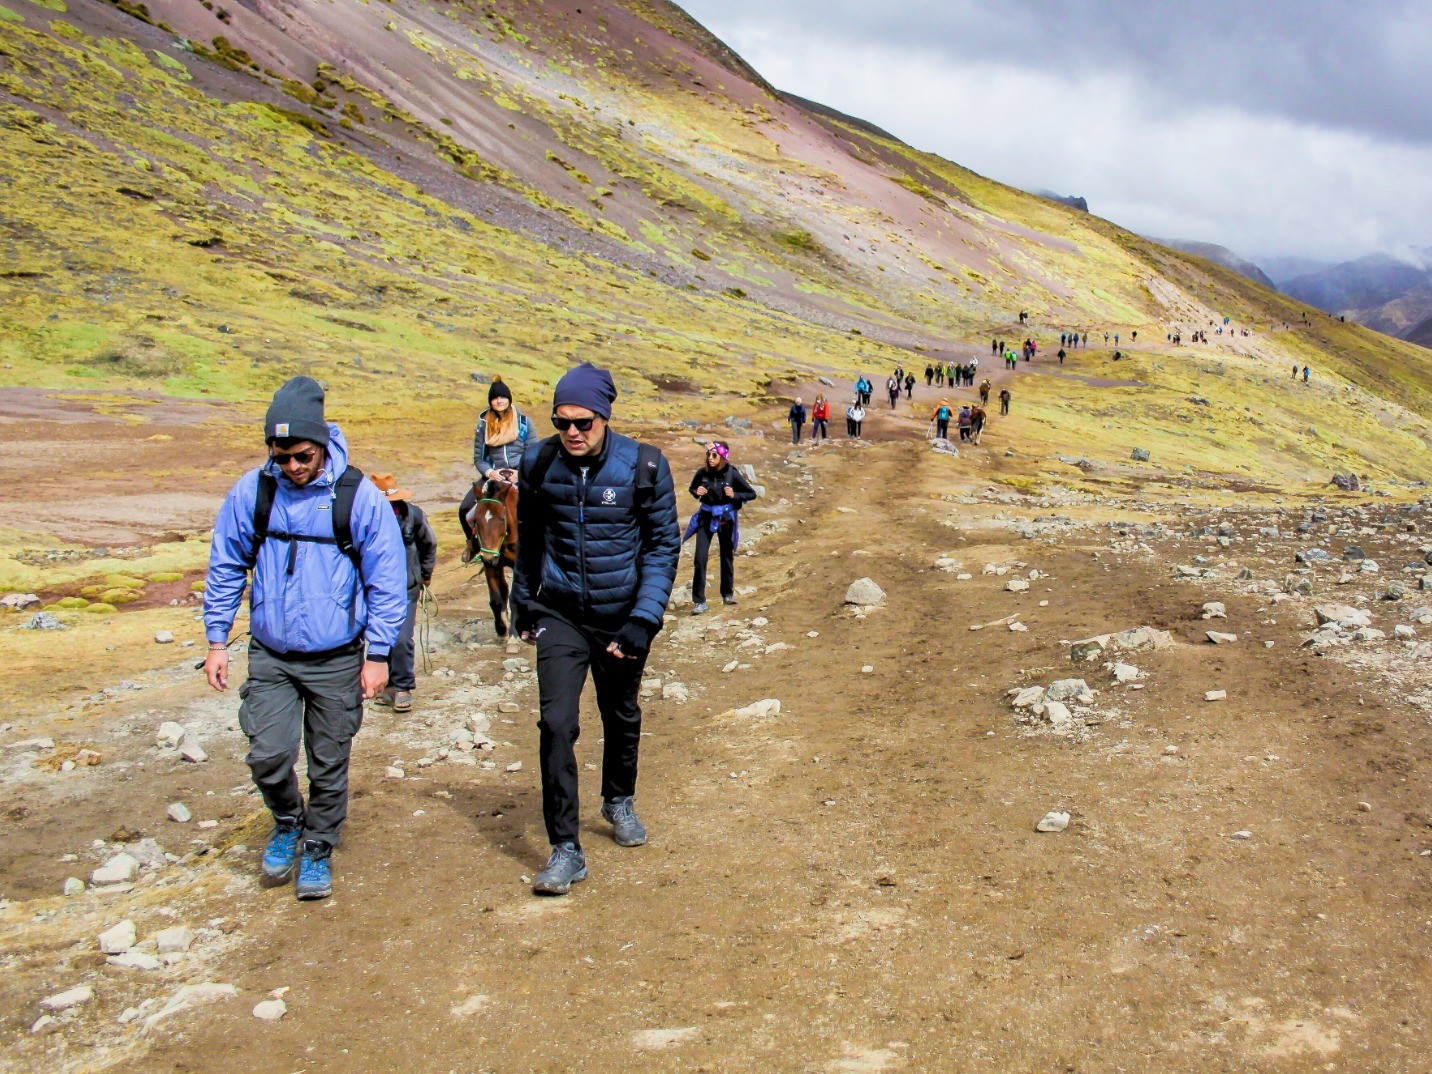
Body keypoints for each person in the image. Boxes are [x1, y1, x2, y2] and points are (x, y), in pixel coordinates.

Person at [203, 377, 407, 901]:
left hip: (338, 657)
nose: (292, 466)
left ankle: (318, 847)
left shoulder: (357, 496)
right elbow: (227, 565)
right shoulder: (254, 491)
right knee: (266, 756)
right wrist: (217, 640)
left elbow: (386, 579)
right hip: (271, 655)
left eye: (302, 455)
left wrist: (379, 654)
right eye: (281, 454)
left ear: (322, 445)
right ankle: (288, 822)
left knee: (329, 760)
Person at [511, 362, 680, 896]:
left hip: (621, 615)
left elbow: (662, 546)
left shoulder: (645, 466)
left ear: (605, 417)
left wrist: (642, 621)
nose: (573, 433)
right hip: (559, 612)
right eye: (562, 423)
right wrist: (523, 602)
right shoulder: (538, 462)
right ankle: (565, 848)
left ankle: (618, 798)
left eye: (583, 421)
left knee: (621, 712)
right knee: (556, 725)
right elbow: (530, 535)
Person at [369, 474, 437, 714]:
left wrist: (425, 575)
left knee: (401, 638)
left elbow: (429, 545)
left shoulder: (414, 516)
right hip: (375, 589)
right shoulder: (368, 519)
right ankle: (388, 685)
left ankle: (403, 686)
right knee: (380, 637)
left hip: (406, 587)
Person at [460, 378, 533, 560]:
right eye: (495, 398)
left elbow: (533, 453)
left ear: (509, 399)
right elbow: (479, 458)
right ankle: (473, 545)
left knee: (542, 507)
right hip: (494, 475)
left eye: (502, 397)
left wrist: (521, 473)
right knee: (465, 508)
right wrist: (491, 473)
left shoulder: (524, 423)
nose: (499, 401)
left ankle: (542, 547)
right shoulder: (484, 425)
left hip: (519, 473)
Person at [685, 442, 757, 615]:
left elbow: (751, 493)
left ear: (723, 457)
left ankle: (727, 594)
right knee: (700, 558)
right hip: (705, 518)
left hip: (726, 520)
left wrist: (735, 495)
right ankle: (699, 602)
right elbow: (692, 488)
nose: (710, 458)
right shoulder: (702, 473)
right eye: (708, 455)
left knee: (726, 557)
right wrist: (697, 492)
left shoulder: (732, 473)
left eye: (714, 455)